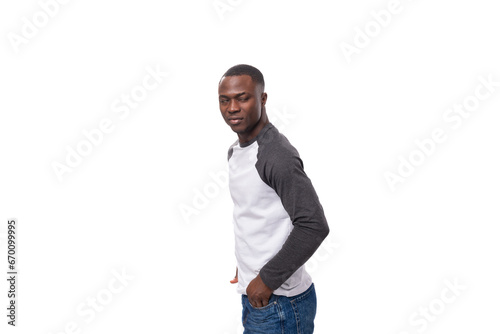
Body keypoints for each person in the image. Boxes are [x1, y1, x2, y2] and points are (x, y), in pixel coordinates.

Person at [219, 64, 330, 333]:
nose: (232, 107)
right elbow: (257, 214)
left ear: (262, 99)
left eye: (242, 98)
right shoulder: (237, 151)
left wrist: (266, 279)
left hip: (279, 303)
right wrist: (247, 265)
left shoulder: (276, 155)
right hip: (258, 297)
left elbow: (313, 225)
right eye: (225, 100)